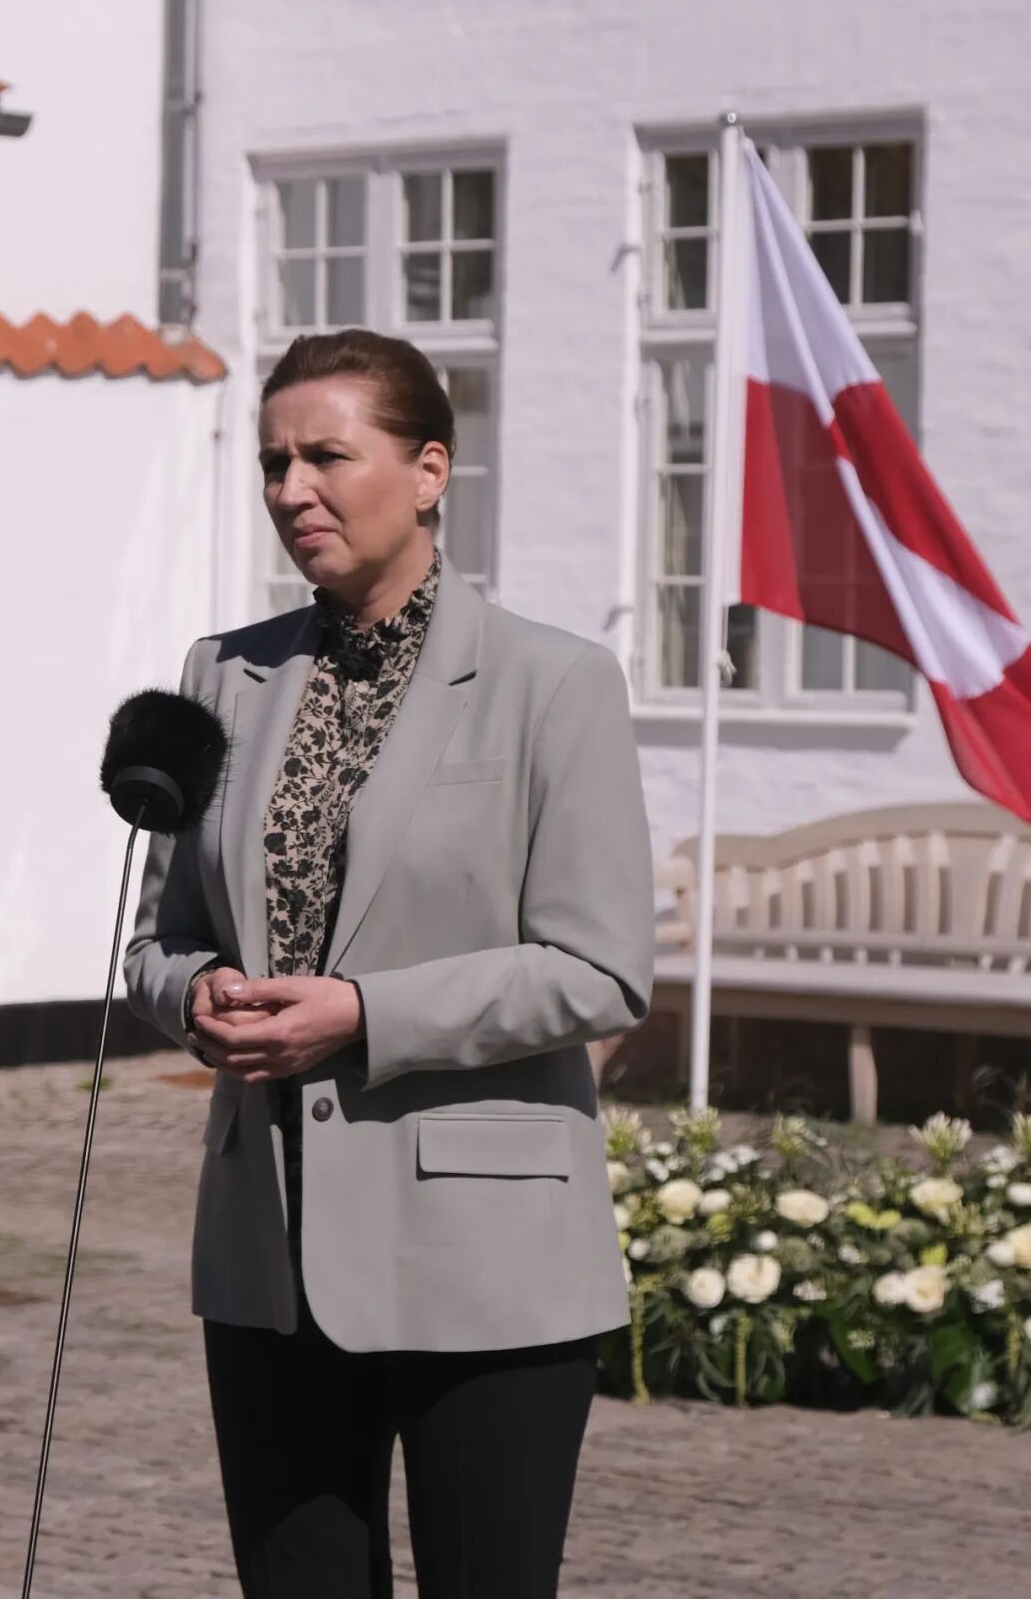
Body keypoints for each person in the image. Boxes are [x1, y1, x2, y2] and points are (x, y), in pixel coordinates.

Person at [124, 327, 655, 1599]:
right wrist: (195, 995)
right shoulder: (220, 676)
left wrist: (363, 1013)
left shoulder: (555, 682)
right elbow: (152, 939)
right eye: (274, 462)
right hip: (269, 1254)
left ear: (429, 471)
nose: (292, 488)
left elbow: (600, 969)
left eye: (326, 456)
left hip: (488, 1260)